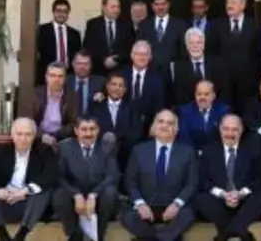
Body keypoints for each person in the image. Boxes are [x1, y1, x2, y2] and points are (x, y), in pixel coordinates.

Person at [0, 118, 57, 241]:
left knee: (44, 191)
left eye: (28, 134)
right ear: (12, 135)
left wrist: (25, 191)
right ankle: (2, 234)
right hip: (5, 202)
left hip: (30, 205)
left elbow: (51, 175)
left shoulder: (44, 151)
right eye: (19, 134)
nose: (23, 138)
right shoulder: (1, 150)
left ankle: (21, 235)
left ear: (34, 135)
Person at [122, 109, 198, 241]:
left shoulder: (188, 152)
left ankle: (151, 239)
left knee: (188, 214)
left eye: (169, 123)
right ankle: (166, 238)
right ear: (154, 125)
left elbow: (192, 183)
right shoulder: (138, 150)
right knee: (128, 217)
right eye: (161, 121)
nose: (164, 126)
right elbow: (130, 180)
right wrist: (140, 204)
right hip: (146, 204)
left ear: (175, 129)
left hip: (172, 205)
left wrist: (177, 204)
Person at [195, 114, 261, 241]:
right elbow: (203, 181)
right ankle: (242, 234)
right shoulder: (208, 151)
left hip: (244, 201)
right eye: (226, 129)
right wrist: (222, 194)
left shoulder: (251, 150)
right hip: (219, 201)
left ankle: (226, 234)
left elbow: (258, 179)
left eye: (235, 129)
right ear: (220, 129)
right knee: (201, 198)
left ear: (241, 131)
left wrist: (241, 193)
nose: (230, 133)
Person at [52, 117, 119, 241]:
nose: (88, 134)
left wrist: (94, 194)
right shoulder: (64, 147)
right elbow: (59, 176)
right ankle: (74, 234)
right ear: (76, 131)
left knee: (110, 192)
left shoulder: (107, 147)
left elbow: (112, 175)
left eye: (92, 129)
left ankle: (98, 235)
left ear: (98, 130)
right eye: (84, 129)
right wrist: (75, 194)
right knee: (59, 195)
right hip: (74, 193)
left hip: (99, 194)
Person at [207, 0, 261, 113]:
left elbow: (259, 53)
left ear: (243, 5)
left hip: (248, 83)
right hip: (223, 82)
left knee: (246, 114)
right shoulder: (217, 25)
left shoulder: (255, 25)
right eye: (227, 2)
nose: (229, 5)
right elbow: (212, 52)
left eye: (233, 2)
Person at [90, 71, 143, 173]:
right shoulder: (95, 106)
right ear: (107, 86)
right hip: (98, 155)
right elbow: (91, 128)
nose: (117, 88)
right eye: (113, 84)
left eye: (120, 85)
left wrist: (118, 143)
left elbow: (136, 132)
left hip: (124, 156)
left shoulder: (132, 108)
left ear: (125, 90)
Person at [170, 27, 231, 108]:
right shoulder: (178, 68)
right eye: (191, 43)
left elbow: (225, 93)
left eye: (199, 42)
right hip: (189, 113)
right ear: (186, 46)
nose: (195, 46)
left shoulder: (218, 64)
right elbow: (179, 98)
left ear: (204, 45)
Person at [83, 0, 135, 76]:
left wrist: (116, 59)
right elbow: (88, 47)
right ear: (104, 8)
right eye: (113, 7)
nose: (116, 10)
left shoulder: (127, 25)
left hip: (120, 72)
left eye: (118, 7)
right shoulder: (93, 24)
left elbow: (130, 48)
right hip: (98, 72)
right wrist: (103, 60)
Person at [136, 0, 188, 73]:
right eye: (157, 4)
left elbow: (184, 52)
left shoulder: (180, 25)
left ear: (168, 4)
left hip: (173, 73)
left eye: (163, 4)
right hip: (149, 72)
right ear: (152, 6)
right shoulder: (144, 25)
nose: (160, 7)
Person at [176, 80, 231, 154]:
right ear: (195, 95)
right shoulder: (185, 111)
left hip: (217, 154)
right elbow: (185, 138)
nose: (202, 97)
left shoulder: (224, 111)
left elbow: (225, 137)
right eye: (199, 94)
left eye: (206, 94)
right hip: (193, 155)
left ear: (213, 96)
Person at [121, 40, 166, 130]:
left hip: (147, 127)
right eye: (138, 54)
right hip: (122, 124)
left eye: (146, 54)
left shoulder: (158, 79)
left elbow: (159, 106)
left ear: (150, 57)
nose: (142, 57)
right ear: (132, 56)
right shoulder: (121, 75)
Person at [36, 0, 82, 84]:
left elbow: (77, 57)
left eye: (65, 11)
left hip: (68, 76)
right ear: (53, 12)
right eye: (59, 10)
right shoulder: (42, 30)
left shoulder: (75, 34)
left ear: (68, 13)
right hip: (48, 76)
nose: (61, 14)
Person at [32, 62, 79, 147]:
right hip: (38, 138)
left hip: (61, 138)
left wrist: (56, 136)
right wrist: (42, 135)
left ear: (65, 78)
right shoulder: (35, 94)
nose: (56, 79)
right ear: (46, 77)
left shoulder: (72, 96)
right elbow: (28, 121)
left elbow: (73, 123)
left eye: (60, 76)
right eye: (52, 75)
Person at [67, 50, 106, 116]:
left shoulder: (101, 82)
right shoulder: (65, 80)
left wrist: (104, 98)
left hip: (91, 123)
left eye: (86, 64)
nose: (82, 67)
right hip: (69, 124)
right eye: (79, 63)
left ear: (91, 65)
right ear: (73, 64)